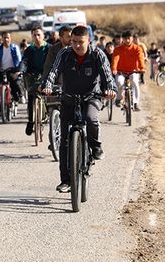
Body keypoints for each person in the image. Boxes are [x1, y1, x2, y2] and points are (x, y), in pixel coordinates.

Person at [41, 25, 117, 193]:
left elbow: (107, 75)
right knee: (64, 142)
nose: (76, 46)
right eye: (73, 41)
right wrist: (47, 85)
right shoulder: (65, 53)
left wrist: (110, 89)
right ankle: (66, 181)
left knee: (91, 119)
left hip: (91, 97)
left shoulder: (97, 55)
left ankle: (95, 147)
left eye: (80, 42)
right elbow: (53, 71)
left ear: (88, 40)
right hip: (68, 98)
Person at [20, 26, 50, 136]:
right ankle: (30, 121)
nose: (36, 37)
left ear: (43, 36)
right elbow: (24, 61)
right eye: (34, 35)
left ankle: (48, 115)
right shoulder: (29, 49)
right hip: (32, 74)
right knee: (31, 96)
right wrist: (21, 70)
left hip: (46, 74)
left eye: (39, 35)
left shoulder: (48, 48)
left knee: (48, 95)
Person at [111, 31, 145, 111]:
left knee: (135, 82)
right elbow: (115, 59)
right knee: (119, 82)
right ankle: (119, 98)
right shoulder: (118, 49)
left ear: (132, 38)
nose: (127, 40)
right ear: (123, 39)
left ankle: (135, 103)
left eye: (129, 38)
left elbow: (140, 58)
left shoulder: (137, 48)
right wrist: (114, 69)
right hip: (121, 71)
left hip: (133, 71)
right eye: (125, 39)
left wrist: (142, 68)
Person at [0, 31, 23, 113]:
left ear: (10, 39)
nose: (6, 39)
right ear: (2, 39)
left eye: (8, 37)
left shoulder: (14, 48)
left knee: (13, 81)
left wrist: (18, 70)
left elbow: (19, 59)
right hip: (1, 70)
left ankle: (17, 96)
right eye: (4, 37)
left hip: (12, 69)